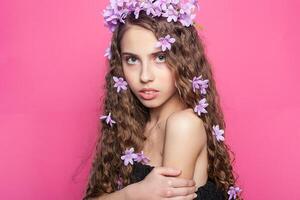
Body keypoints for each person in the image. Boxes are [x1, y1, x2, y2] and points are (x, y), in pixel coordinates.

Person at [83, 0, 242, 199]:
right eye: (132, 59)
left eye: (160, 57)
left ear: (183, 60)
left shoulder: (183, 125)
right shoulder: (132, 125)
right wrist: (133, 194)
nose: (145, 76)